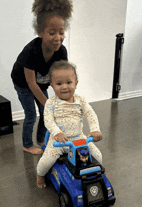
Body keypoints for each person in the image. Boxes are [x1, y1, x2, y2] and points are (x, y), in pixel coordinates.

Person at [11, 0, 73, 155]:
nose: (58, 38)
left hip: (42, 83)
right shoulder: (30, 52)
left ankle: (41, 139)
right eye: (52, 33)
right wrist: (48, 104)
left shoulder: (61, 52)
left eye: (61, 32)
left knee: (47, 114)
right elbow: (31, 83)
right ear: (40, 32)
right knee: (31, 114)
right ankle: (27, 144)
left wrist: (63, 100)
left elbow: (59, 78)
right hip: (24, 84)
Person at [37, 60, 103, 188]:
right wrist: (57, 133)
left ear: (75, 83)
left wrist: (95, 129)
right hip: (59, 142)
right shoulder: (51, 103)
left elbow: (90, 114)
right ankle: (39, 177)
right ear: (52, 86)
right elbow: (48, 120)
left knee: (98, 156)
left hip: (79, 139)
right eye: (59, 83)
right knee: (46, 161)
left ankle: (99, 173)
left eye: (68, 82)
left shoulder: (80, 100)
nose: (64, 87)